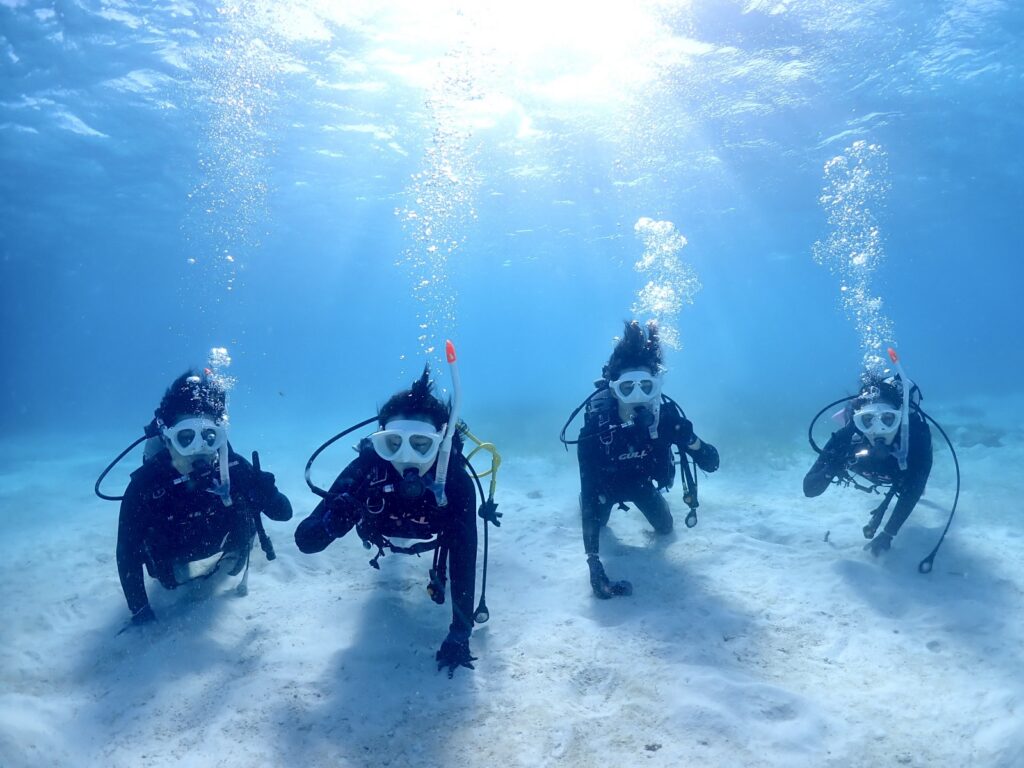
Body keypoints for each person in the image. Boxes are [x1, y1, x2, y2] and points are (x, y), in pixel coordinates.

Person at [295, 366, 484, 677]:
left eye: (421, 444)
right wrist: (332, 523)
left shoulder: (455, 482)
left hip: (433, 533)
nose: (407, 456)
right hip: (380, 530)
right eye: (393, 443)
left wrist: (460, 634)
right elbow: (305, 541)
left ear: (441, 442)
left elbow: (464, 559)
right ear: (379, 440)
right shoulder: (367, 468)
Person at [116, 370, 292, 626]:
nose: (200, 449)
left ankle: (224, 567)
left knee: (244, 510)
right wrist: (140, 611)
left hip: (221, 544)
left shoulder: (233, 468)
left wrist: (267, 492)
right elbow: (127, 552)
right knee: (167, 577)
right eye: (186, 438)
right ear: (167, 439)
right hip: (172, 555)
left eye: (209, 437)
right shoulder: (145, 484)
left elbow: (284, 513)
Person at [574, 320, 719, 599]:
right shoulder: (594, 430)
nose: (638, 397)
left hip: (641, 485)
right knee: (597, 523)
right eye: (628, 388)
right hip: (603, 489)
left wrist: (691, 440)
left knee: (666, 528)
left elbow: (712, 463)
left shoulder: (667, 421)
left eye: (647, 387)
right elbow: (590, 491)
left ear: (657, 387)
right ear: (613, 388)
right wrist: (593, 561)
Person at [804, 371, 933, 555]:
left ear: (900, 418)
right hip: (869, 464)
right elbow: (809, 489)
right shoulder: (848, 436)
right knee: (913, 484)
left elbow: (912, 493)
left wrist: (888, 533)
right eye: (867, 420)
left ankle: (910, 477)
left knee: (914, 484)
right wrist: (832, 466)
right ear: (858, 420)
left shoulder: (916, 439)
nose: (877, 429)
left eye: (888, 419)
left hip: (900, 472)